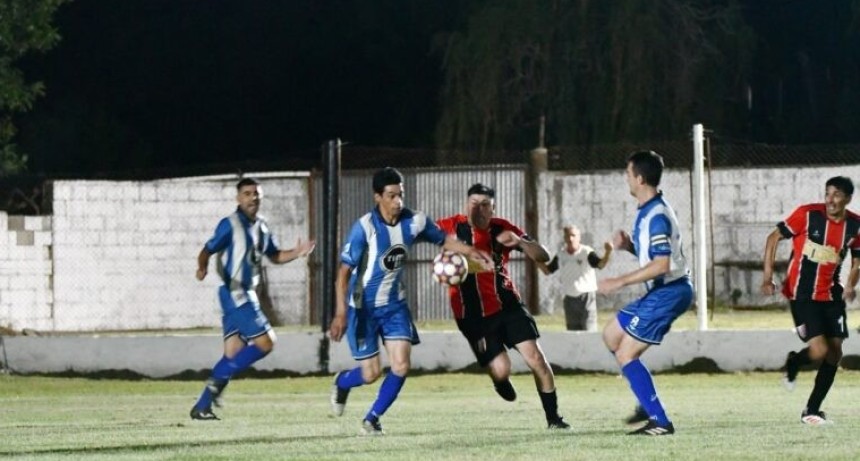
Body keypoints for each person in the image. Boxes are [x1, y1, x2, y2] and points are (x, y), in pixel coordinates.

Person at [328, 167, 492, 436]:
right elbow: (343, 274)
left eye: (400, 195)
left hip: (394, 306)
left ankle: (372, 419)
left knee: (401, 365)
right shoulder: (364, 228)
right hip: (362, 308)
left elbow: (443, 240)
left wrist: (470, 251)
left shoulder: (415, 221)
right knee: (370, 374)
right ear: (377, 197)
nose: (398, 201)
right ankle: (343, 382)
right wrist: (340, 313)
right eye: (391, 196)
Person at [436, 183, 570, 430]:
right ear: (466, 205)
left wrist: (520, 242)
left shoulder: (502, 228)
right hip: (474, 315)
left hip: (508, 305)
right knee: (501, 369)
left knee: (536, 358)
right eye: (474, 203)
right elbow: (418, 231)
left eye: (485, 204)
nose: (478, 209)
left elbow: (542, 255)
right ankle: (499, 379)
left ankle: (554, 419)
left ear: (493, 208)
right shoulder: (450, 226)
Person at [189, 177, 316, 420]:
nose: (252, 198)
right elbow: (207, 249)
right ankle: (218, 379)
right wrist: (202, 267)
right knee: (266, 342)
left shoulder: (262, 226)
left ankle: (202, 407)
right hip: (235, 293)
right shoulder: (229, 224)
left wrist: (297, 252)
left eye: (256, 194)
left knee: (232, 353)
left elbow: (275, 256)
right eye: (247, 194)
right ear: (238, 198)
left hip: (247, 294)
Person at [597, 150, 692, 436]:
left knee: (626, 353)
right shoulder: (647, 210)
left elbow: (662, 265)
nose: (626, 178)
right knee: (611, 335)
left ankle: (660, 421)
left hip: (670, 292)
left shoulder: (657, 216)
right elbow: (654, 256)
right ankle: (645, 401)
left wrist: (619, 281)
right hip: (662, 291)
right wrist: (629, 246)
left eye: (628, 174)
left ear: (639, 179)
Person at [760, 175, 860, 425]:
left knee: (835, 352)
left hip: (831, 295)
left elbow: (857, 260)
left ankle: (812, 410)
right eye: (828, 193)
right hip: (801, 294)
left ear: (848, 198)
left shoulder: (855, 225)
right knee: (819, 350)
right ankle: (794, 362)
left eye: (837, 195)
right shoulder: (807, 215)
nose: (830, 200)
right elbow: (773, 238)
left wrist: (850, 285)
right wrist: (768, 277)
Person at [538, 225, 612, 331]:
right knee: (573, 334)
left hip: (586, 298)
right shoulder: (561, 255)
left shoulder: (586, 252)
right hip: (569, 299)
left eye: (573, 235)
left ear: (579, 237)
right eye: (567, 236)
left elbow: (600, 265)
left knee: (588, 332)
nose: (570, 239)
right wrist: (535, 258)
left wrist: (608, 252)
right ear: (564, 238)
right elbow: (547, 270)